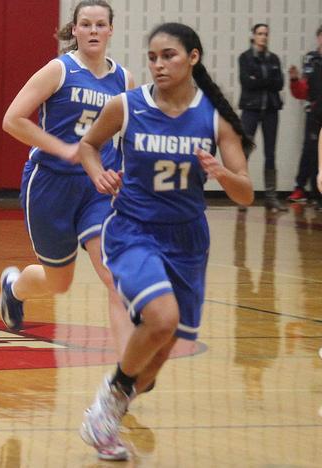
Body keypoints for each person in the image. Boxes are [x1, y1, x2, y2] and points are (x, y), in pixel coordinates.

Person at [76, 22, 254, 460]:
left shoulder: (213, 117)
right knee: (161, 317)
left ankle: (111, 414)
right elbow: (88, 146)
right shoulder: (127, 106)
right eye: (153, 57)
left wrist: (221, 173)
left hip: (188, 239)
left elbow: (246, 192)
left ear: (193, 57)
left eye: (169, 55)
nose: (158, 64)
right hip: (133, 230)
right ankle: (110, 397)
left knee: (163, 350)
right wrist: (98, 173)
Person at [0, 0, 134, 356]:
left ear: (110, 31)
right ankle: (14, 288)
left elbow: (132, 135)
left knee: (111, 272)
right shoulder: (59, 70)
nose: (93, 31)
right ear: (74, 30)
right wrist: (62, 148)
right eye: (85, 24)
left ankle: (127, 370)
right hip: (50, 185)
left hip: (97, 187)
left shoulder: (124, 80)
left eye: (99, 25)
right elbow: (12, 120)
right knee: (59, 282)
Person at [237, 23, 286, 212]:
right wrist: (267, 82)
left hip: (271, 110)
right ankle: (241, 196)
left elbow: (280, 83)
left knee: (270, 153)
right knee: (244, 152)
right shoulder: (245, 58)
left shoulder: (273, 58)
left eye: (266, 34)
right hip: (251, 109)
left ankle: (271, 197)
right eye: (260, 33)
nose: (263, 37)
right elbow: (246, 82)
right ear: (253, 36)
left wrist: (259, 80)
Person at [287, 25, 322, 208]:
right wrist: (294, 80)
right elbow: (302, 91)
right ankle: (302, 188)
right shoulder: (311, 59)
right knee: (310, 151)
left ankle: (318, 195)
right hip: (315, 113)